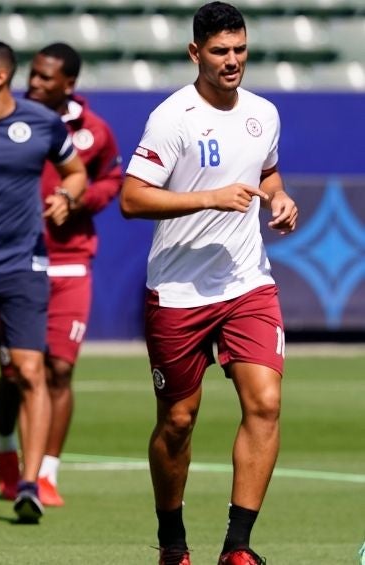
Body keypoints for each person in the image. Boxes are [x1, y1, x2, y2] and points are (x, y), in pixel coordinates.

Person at [120, 3, 298, 564]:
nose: (233, 61)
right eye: (220, 51)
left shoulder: (263, 113)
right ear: (195, 52)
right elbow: (131, 198)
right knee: (177, 420)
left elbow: (266, 169)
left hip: (248, 284)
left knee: (265, 403)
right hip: (179, 291)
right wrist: (210, 197)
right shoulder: (173, 118)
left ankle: (238, 548)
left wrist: (278, 196)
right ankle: (173, 543)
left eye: (240, 50)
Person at [0, 40, 87, 521]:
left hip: (24, 267)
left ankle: (29, 483)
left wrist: (68, 195)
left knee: (30, 371)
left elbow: (75, 171)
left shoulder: (43, 123)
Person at [0, 42, 123, 507]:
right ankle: (7, 450)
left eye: (46, 78)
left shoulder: (93, 132)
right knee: (12, 372)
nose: (34, 83)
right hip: (16, 261)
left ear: (68, 83)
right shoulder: (8, 119)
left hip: (70, 262)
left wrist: (76, 200)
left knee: (61, 369)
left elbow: (112, 179)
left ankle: (46, 472)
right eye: (33, 74)